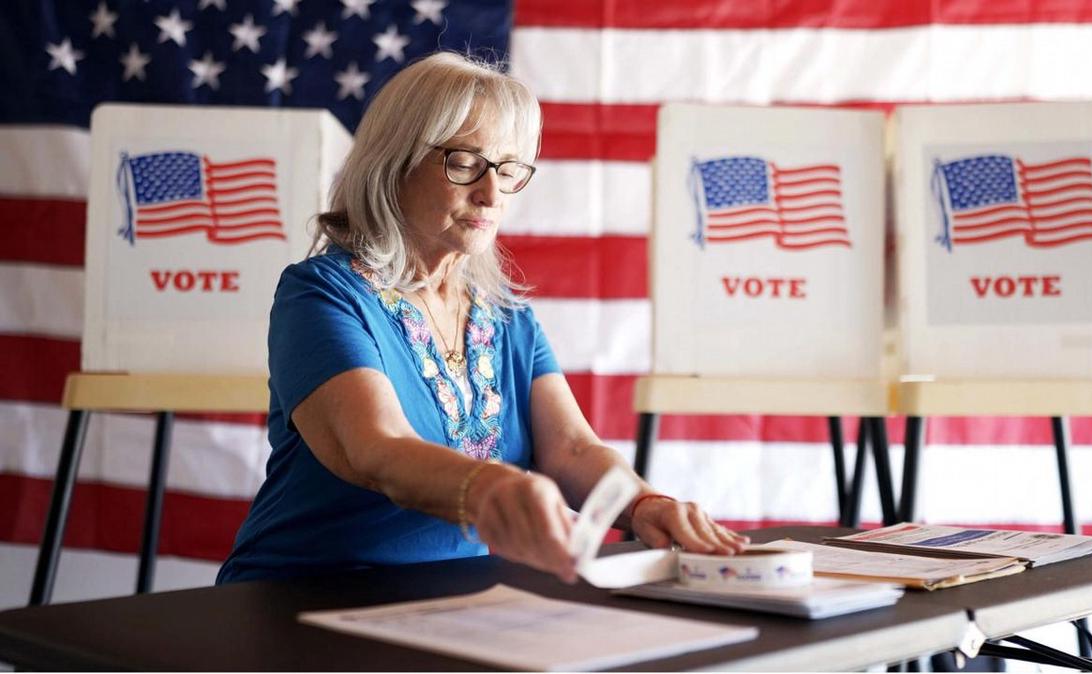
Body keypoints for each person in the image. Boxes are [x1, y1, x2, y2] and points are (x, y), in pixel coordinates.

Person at [216, 52, 746, 585]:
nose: (492, 194)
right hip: (305, 595)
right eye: (465, 163)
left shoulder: (507, 314)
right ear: (394, 162)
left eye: (508, 168)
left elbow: (573, 449)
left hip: (464, 600)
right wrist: (492, 485)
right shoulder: (321, 293)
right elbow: (379, 450)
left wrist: (643, 504)